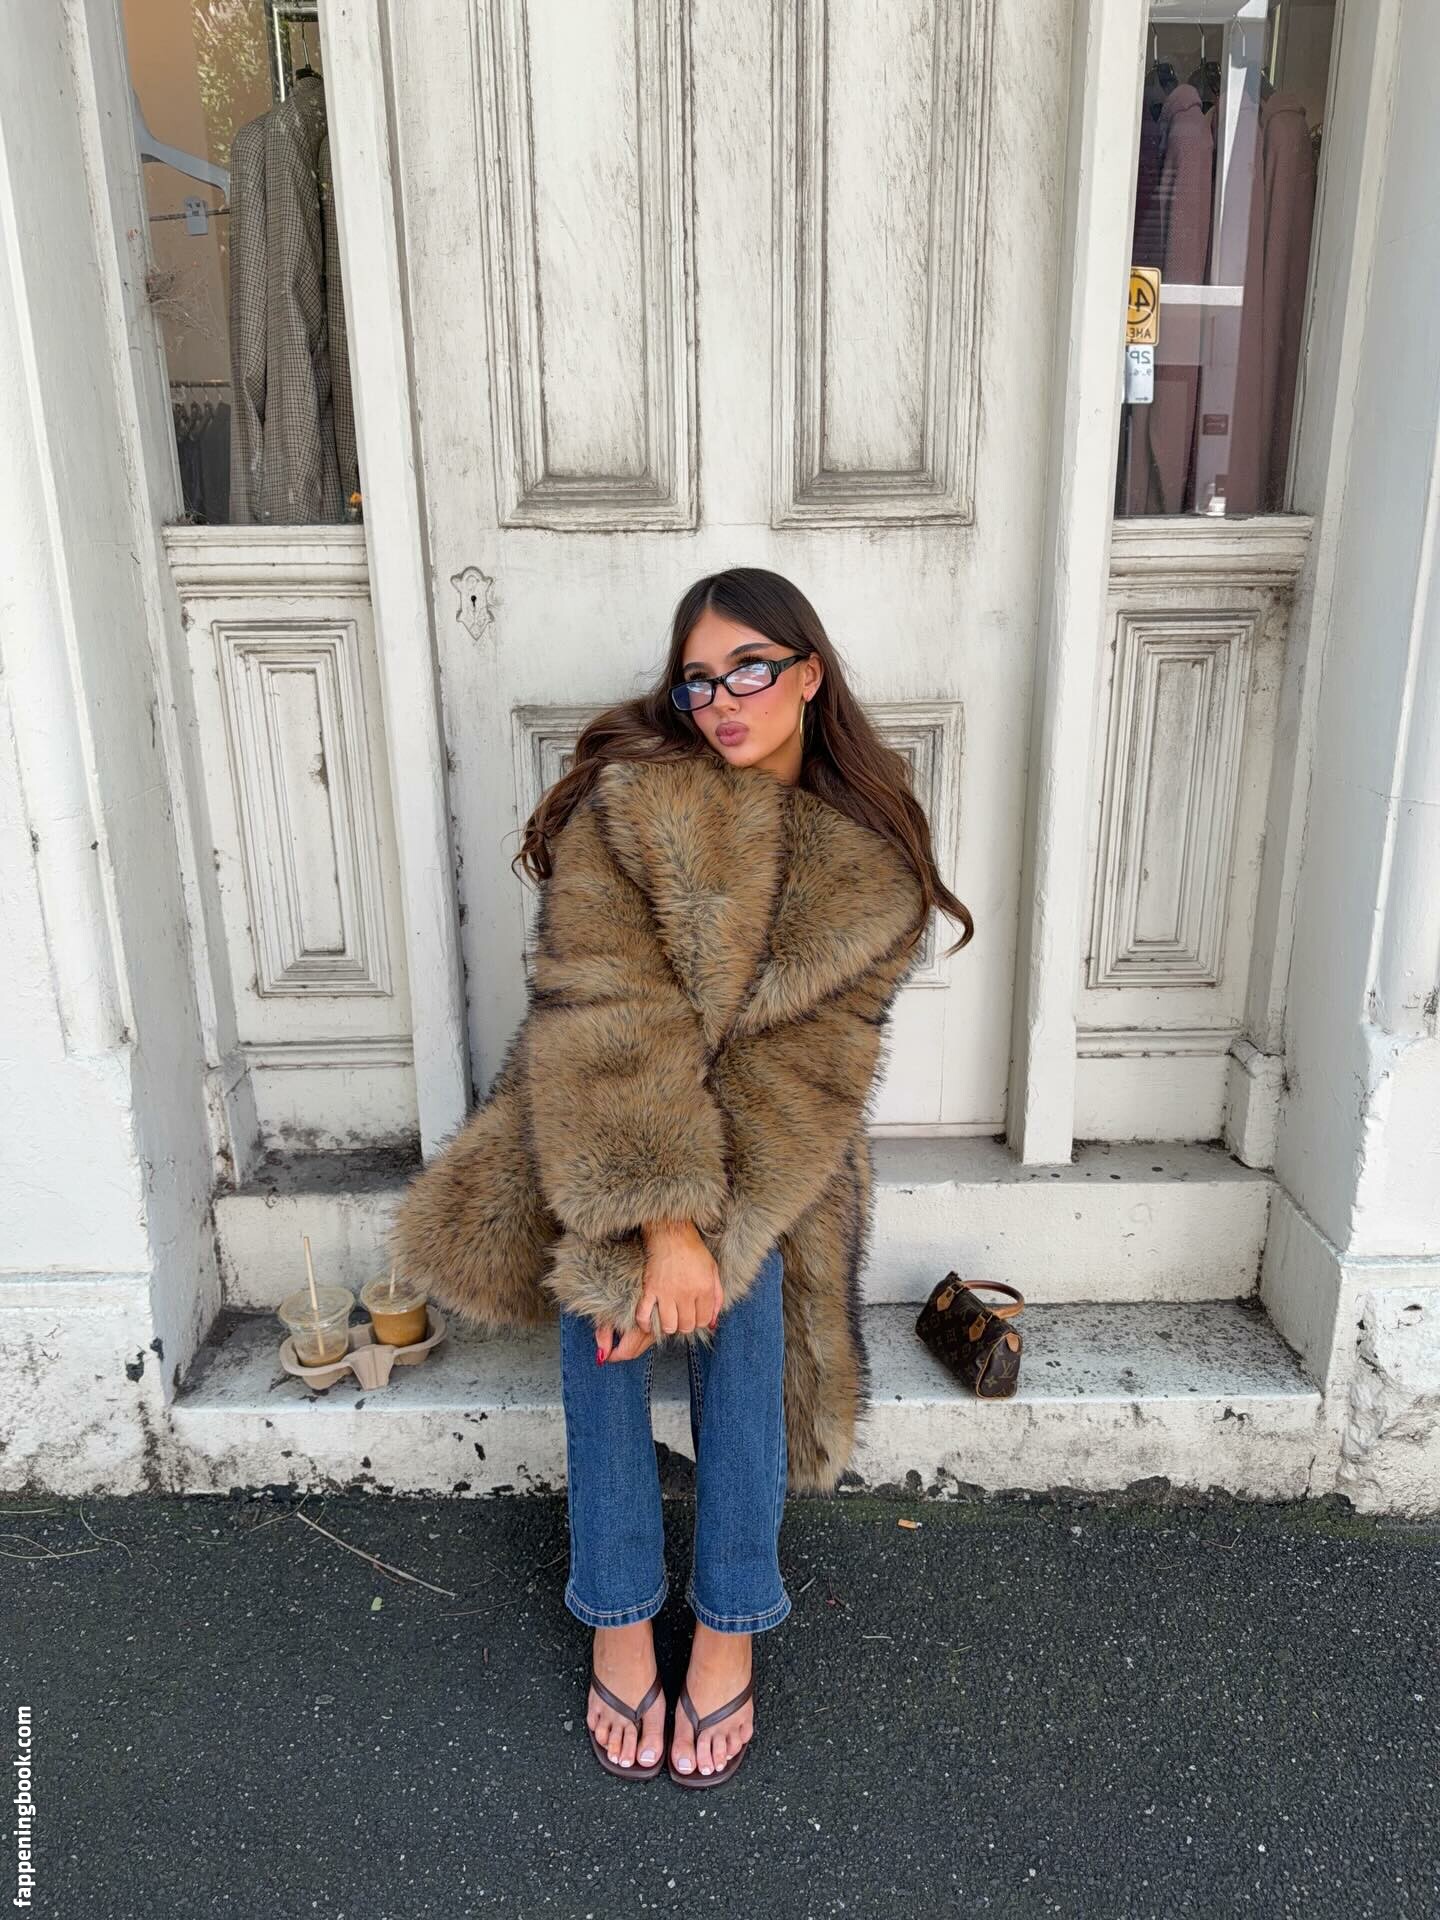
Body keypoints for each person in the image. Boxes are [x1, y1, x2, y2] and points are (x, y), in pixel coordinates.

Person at [389, 567, 973, 1788]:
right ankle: (616, 1609)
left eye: (749, 668)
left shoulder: (872, 864)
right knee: (608, 1268)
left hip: (780, 1147)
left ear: (808, 674)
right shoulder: (635, 808)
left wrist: (711, 1237)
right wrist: (660, 1225)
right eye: (700, 680)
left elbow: (803, 1075)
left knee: (745, 1287)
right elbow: (611, 1015)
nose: (721, 700)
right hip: (598, 1107)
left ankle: (728, 1622)